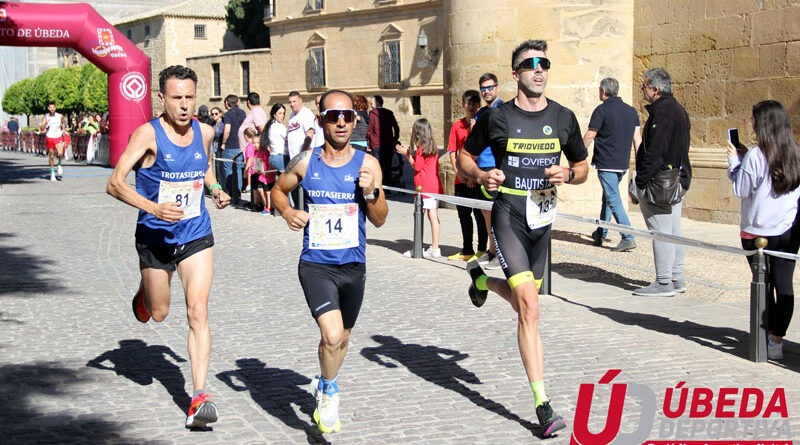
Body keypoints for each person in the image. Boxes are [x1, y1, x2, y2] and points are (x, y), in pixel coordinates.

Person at [457, 39, 588, 438]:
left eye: (543, 63)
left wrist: (569, 174)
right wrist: (481, 175)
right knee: (530, 307)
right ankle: (543, 404)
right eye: (529, 64)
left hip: (543, 218)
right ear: (515, 74)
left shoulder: (564, 118)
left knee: (526, 299)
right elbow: (462, 158)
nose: (538, 69)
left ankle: (483, 280)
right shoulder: (496, 118)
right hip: (509, 213)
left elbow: (583, 167)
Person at [105, 65, 231, 429]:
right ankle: (144, 294)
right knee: (158, 312)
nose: (184, 105)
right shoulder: (148, 135)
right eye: (176, 98)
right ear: (162, 98)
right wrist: (154, 208)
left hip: (195, 233)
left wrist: (215, 189)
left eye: (190, 97)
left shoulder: (205, 132)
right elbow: (114, 183)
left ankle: (199, 396)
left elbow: (203, 168)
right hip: (155, 236)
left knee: (198, 310)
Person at [270, 89, 388, 434]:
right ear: (320, 119)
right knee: (332, 334)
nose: (340, 122)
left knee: (342, 339)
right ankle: (330, 393)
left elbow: (380, 219)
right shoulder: (306, 162)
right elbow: (279, 189)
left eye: (347, 116)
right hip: (316, 264)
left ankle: (323, 381)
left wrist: (371, 193)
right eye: (333, 115)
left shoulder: (368, 165)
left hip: (353, 265)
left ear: (356, 121)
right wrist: (288, 210)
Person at [727, 100, 800, 360]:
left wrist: (735, 162)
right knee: (784, 285)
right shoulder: (795, 152)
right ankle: (776, 339)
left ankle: (765, 336)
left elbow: (740, 188)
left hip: (757, 230)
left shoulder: (758, 155)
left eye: (754, 120)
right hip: (788, 230)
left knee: (763, 285)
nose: (752, 124)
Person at [632, 68, 692, 297]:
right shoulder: (678, 109)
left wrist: (640, 179)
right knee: (673, 229)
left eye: (644, 86)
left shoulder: (663, 112)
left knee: (661, 231)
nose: (642, 90)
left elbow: (655, 150)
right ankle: (676, 277)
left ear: (655, 89)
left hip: (661, 182)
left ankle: (664, 281)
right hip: (676, 178)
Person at [583, 77, 641, 252]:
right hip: (622, 163)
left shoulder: (601, 110)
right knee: (608, 197)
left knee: (613, 199)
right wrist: (639, 164)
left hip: (606, 162)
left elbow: (590, 135)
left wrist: (577, 152)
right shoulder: (631, 111)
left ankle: (628, 236)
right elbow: (637, 140)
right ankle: (601, 232)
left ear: (603, 91)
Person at [447, 89, 487, 262]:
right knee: (464, 216)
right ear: (463, 105)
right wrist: (459, 173)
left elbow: (481, 152)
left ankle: (482, 249)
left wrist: (472, 176)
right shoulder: (457, 125)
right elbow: (452, 151)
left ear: (479, 105)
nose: (470, 106)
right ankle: (467, 249)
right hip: (461, 179)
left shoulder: (483, 125)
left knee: (480, 215)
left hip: (477, 179)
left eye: (474, 103)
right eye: (467, 103)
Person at [396, 118, 443, 258]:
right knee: (432, 215)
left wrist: (407, 154)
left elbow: (417, 166)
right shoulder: (432, 146)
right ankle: (435, 247)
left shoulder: (422, 148)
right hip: (433, 186)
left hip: (425, 187)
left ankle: (422, 247)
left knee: (421, 215)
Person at [475, 73, 504, 269]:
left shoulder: (502, 110)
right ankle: (492, 250)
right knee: (486, 212)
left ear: (497, 88)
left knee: (498, 212)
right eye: (483, 88)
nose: (486, 91)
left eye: (490, 87)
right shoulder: (481, 113)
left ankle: (501, 253)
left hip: (496, 166)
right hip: (483, 166)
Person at [286, 91, 318, 209]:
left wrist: (303, 151)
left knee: (306, 184)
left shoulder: (306, 114)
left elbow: (310, 133)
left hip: (304, 156)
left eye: (294, 101)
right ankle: (299, 207)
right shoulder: (292, 116)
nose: (292, 104)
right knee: (296, 183)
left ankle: (307, 207)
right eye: (290, 102)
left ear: (300, 100)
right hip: (293, 157)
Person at [367, 95, 401, 187]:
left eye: (372, 102)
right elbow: (396, 127)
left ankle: (379, 186)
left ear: (377, 102)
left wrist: (369, 143)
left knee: (377, 166)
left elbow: (369, 130)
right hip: (388, 143)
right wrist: (394, 139)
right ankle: (388, 187)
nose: (370, 104)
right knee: (387, 166)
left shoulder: (372, 114)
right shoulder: (389, 113)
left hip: (376, 144)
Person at [221, 94, 247, 203]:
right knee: (239, 170)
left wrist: (223, 142)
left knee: (228, 169)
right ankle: (238, 192)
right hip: (240, 145)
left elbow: (227, 129)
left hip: (230, 146)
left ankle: (231, 192)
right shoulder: (243, 113)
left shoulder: (228, 115)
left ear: (227, 103)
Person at [243, 127, 273, 214]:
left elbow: (269, 162)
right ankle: (265, 205)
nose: (255, 145)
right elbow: (258, 164)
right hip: (260, 175)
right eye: (254, 143)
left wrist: (268, 171)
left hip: (267, 175)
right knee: (260, 189)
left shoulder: (265, 152)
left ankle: (269, 207)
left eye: (257, 143)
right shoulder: (256, 152)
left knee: (267, 191)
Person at [40, 101, 67, 181]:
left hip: (58, 136)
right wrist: (45, 123)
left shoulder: (60, 116)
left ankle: (59, 164)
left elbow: (63, 122)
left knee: (60, 152)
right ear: (48, 108)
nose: (52, 109)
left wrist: (63, 130)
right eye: (50, 107)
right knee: (51, 155)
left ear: (55, 108)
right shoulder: (46, 116)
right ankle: (52, 172)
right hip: (50, 136)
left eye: (53, 107)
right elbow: (42, 128)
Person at [264, 103, 288, 174]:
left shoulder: (272, 125)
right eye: (280, 113)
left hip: (275, 157)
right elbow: (289, 138)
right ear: (274, 115)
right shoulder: (278, 126)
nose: (282, 116)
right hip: (280, 157)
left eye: (283, 113)